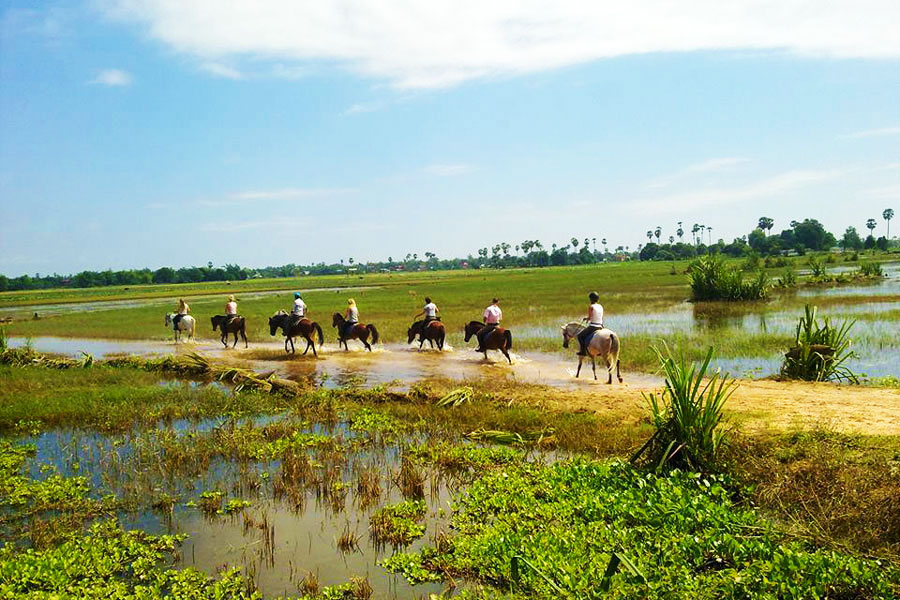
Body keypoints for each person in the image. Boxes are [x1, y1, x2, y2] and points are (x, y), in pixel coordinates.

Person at [576, 292, 604, 356]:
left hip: (593, 326)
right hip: (600, 325)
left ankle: (583, 352)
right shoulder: (600, 306)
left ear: (591, 299)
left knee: (579, 336)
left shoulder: (591, 307)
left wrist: (586, 319)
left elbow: (590, 318)